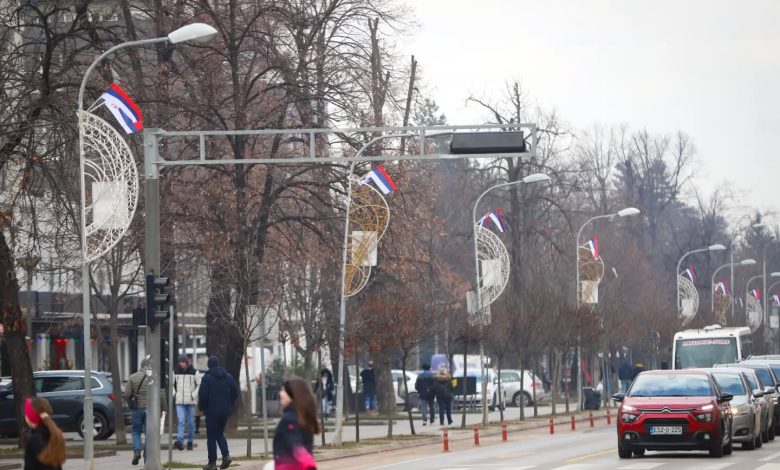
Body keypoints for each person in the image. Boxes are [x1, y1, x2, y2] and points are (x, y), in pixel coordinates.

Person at [266, 378, 319, 470]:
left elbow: (295, 444)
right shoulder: (304, 417)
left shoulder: (289, 419)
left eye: (283, 390)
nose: (280, 394)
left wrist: (309, 464)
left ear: (292, 394)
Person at [199, 356, 239, 470]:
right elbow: (235, 392)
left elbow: (203, 395)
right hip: (225, 411)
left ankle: (212, 463)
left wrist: (203, 408)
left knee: (211, 436)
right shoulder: (228, 377)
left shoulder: (207, 378)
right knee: (219, 434)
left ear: (209, 366)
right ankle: (226, 456)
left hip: (212, 412)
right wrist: (229, 403)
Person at [23, 397, 66, 470]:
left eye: (26, 413)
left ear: (31, 416)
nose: (25, 415)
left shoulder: (35, 440)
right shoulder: (53, 434)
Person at [174, 354, 200, 451]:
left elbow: (199, 385)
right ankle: (180, 442)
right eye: (180, 362)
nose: (181, 364)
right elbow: (172, 384)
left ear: (187, 362)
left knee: (191, 423)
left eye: (183, 362)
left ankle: (190, 442)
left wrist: (193, 395)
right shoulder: (175, 372)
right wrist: (175, 394)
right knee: (181, 421)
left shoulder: (194, 372)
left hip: (190, 402)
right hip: (180, 401)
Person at [127, 358, 151, 465]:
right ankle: (147, 457)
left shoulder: (132, 377)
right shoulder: (152, 378)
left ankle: (137, 451)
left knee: (136, 431)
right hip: (150, 409)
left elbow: (127, 394)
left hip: (137, 408)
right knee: (148, 434)